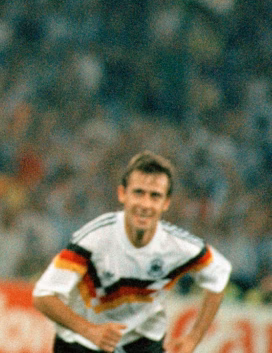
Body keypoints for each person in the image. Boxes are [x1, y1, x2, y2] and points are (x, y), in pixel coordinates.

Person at [32, 151, 231, 353]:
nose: (145, 204)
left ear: (166, 203)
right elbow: (43, 296)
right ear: (122, 194)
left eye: (155, 196)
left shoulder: (178, 245)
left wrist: (193, 339)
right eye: (138, 193)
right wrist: (90, 331)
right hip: (81, 342)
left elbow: (219, 274)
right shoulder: (94, 239)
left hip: (142, 342)